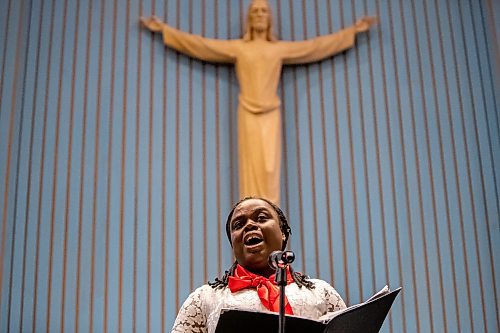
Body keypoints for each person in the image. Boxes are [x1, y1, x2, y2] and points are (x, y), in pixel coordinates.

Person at [141, 0, 378, 204]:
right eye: (255, 12)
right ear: (249, 20)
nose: (259, 16)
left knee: (269, 167)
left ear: (270, 19)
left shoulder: (278, 49)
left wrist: (352, 32)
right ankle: (253, 214)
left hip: (271, 111)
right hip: (247, 109)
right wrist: (165, 31)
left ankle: (270, 216)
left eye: (264, 12)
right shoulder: (239, 48)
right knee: (250, 168)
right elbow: (201, 46)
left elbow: (315, 47)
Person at [171, 197, 346, 332]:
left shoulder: (321, 292)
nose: (250, 225)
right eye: (238, 225)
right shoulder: (204, 298)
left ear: (283, 232)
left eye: (261, 218)